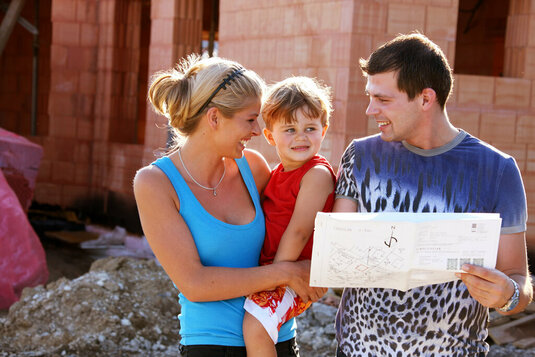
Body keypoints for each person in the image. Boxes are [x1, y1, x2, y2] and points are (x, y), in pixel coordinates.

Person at [333, 33, 533, 357]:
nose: (370, 110)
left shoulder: (498, 170)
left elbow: (518, 281)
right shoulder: (359, 155)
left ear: (426, 99)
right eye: (370, 96)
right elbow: (337, 255)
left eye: (383, 100)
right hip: (358, 351)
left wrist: (506, 295)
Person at [133, 55, 326, 357]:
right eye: (250, 119)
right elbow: (194, 283)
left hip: (279, 340)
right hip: (210, 346)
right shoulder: (155, 183)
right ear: (214, 118)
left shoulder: (255, 168)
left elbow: (295, 228)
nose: (256, 130)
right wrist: (287, 273)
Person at [241, 77, 336, 356]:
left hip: (292, 273)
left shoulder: (316, 174)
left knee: (255, 328)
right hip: (274, 270)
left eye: (310, 128)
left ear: (324, 130)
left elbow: (299, 231)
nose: (301, 137)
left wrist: (276, 275)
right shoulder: (276, 174)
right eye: (290, 129)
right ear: (270, 136)